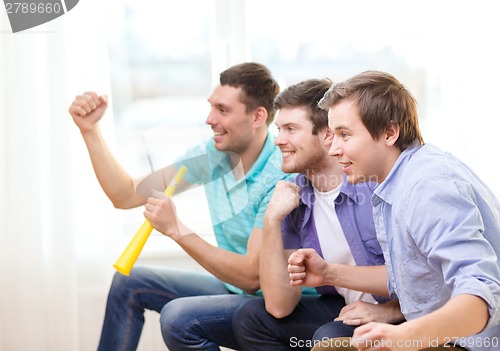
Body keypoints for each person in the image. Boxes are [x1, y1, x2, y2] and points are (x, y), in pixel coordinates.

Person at [68, 62, 291, 351]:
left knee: (179, 318)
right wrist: (90, 130)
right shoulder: (213, 155)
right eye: (211, 107)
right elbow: (124, 195)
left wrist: (176, 229)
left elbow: (251, 277)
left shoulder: (280, 175)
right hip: (234, 291)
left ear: (258, 116)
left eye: (222, 110)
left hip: (275, 305)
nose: (210, 119)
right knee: (128, 282)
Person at [288, 70, 500, 351]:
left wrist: (406, 336)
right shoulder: (396, 183)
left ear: (389, 132)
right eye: (332, 135)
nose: (334, 149)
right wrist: (328, 273)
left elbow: (482, 292)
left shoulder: (427, 186)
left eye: (344, 135)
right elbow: (415, 275)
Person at [232, 79, 404, 351]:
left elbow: (421, 277)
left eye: (290, 129)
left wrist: (391, 310)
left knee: (328, 336)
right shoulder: (294, 197)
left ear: (326, 134)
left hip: (404, 313)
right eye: (279, 129)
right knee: (250, 319)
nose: (277, 140)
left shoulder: (373, 185)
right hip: (350, 308)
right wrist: (271, 220)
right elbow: (278, 305)